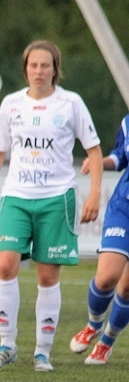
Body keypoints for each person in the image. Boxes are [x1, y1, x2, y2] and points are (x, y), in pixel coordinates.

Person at [0, 40, 103, 372]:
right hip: (16, 196)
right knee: (6, 265)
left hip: (56, 199)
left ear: (55, 69)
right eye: (33, 65)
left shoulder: (71, 103)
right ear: (25, 69)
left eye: (45, 65)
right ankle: (7, 344)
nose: (39, 71)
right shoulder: (12, 104)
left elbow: (94, 150)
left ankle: (42, 352)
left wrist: (94, 194)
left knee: (47, 275)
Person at [68, 112, 129, 365]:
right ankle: (93, 325)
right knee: (106, 278)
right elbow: (120, 156)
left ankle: (107, 342)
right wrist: (101, 162)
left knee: (127, 288)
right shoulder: (127, 122)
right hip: (124, 209)